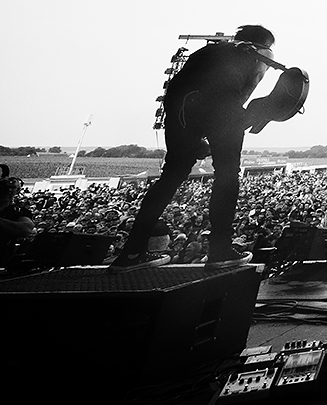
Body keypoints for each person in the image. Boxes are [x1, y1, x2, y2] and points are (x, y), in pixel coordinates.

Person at [110, 25, 279, 268]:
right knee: (228, 175)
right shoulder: (247, 54)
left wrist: (193, 137)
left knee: (170, 178)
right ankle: (220, 249)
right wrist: (245, 118)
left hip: (180, 111)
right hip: (219, 105)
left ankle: (132, 253)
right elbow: (228, 99)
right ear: (260, 45)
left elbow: (179, 93)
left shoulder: (206, 54)